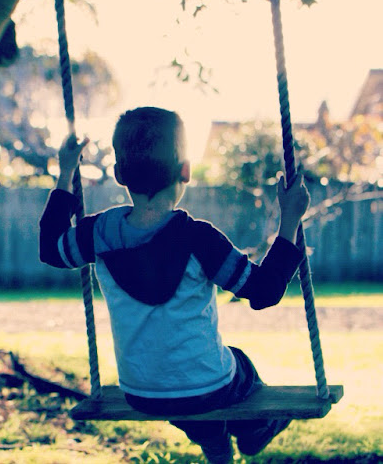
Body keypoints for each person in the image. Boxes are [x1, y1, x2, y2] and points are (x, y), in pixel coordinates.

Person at [39, 107, 310, 463]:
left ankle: (213, 441)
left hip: (141, 391)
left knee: (185, 391)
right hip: (206, 388)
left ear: (119, 174)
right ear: (186, 170)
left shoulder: (97, 233)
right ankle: (256, 431)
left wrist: (66, 172)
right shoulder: (199, 239)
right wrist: (290, 220)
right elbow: (264, 291)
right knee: (237, 367)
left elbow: (51, 249)